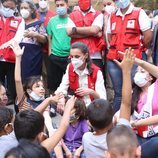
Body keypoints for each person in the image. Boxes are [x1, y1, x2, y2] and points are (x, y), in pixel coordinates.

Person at [82, 48, 134, 158]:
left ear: (89, 123)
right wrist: (126, 71)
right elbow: (126, 103)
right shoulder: (121, 134)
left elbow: (126, 103)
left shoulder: (87, 139)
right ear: (113, 118)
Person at [106, 0, 152, 112]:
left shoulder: (139, 13)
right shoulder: (112, 15)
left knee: (135, 90)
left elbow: (148, 38)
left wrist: (137, 50)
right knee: (118, 93)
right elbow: (109, 36)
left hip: (133, 60)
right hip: (114, 60)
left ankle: (137, 121)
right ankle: (115, 123)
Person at [10, 40, 61, 136]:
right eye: (37, 86)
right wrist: (18, 57)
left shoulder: (45, 101)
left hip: (42, 135)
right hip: (25, 137)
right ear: (29, 91)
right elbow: (17, 80)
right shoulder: (23, 101)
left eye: (42, 86)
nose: (42, 88)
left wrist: (51, 131)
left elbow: (46, 118)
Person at [55, 42, 107, 107]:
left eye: (77, 56)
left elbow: (102, 99)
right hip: (77, 105)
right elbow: (62, 87)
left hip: (93, 106)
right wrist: (61, 98)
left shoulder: (96, 71)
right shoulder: (70, 67)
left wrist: (91, 92)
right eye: (72, 56)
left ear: (86, 56)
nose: (73, 59)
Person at [66, 0, 105, 70]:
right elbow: (69, 32)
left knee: (95, 79)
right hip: (76, 56)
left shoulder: (98, 14)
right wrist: (91, 33)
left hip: (94, 55)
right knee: (74, 79)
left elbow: (94, 30)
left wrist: (75, 30)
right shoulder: (72, 15)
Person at [0, 0, 25, 104]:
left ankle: (10, 98)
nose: (8, 10)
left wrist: (5, 45)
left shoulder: (19, 21)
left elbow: (18, 38)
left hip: (11, 56)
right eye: (6, 7)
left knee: (12, 80)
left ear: (15, 7)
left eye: (11, 8)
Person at [19, 0, 47, 82]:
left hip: (33, 55)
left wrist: (35, 35)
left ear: (32, 10)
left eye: (26, 8)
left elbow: (45, 39)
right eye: (21, 8)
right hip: (19, 54)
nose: (23, 10)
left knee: (32, 79)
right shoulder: (18, 22)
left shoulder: (38, 23)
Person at [47, 0, 70, 94]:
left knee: (69, 83)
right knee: (53, 85)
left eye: (62, 5)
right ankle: (53, 105)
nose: (60, 7)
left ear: (67, 5)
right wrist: (50, 51)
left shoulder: (72, 19)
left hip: (69, 56)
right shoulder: (52, 20)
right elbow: (49, 36)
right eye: (57, 5)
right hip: (55, 55)